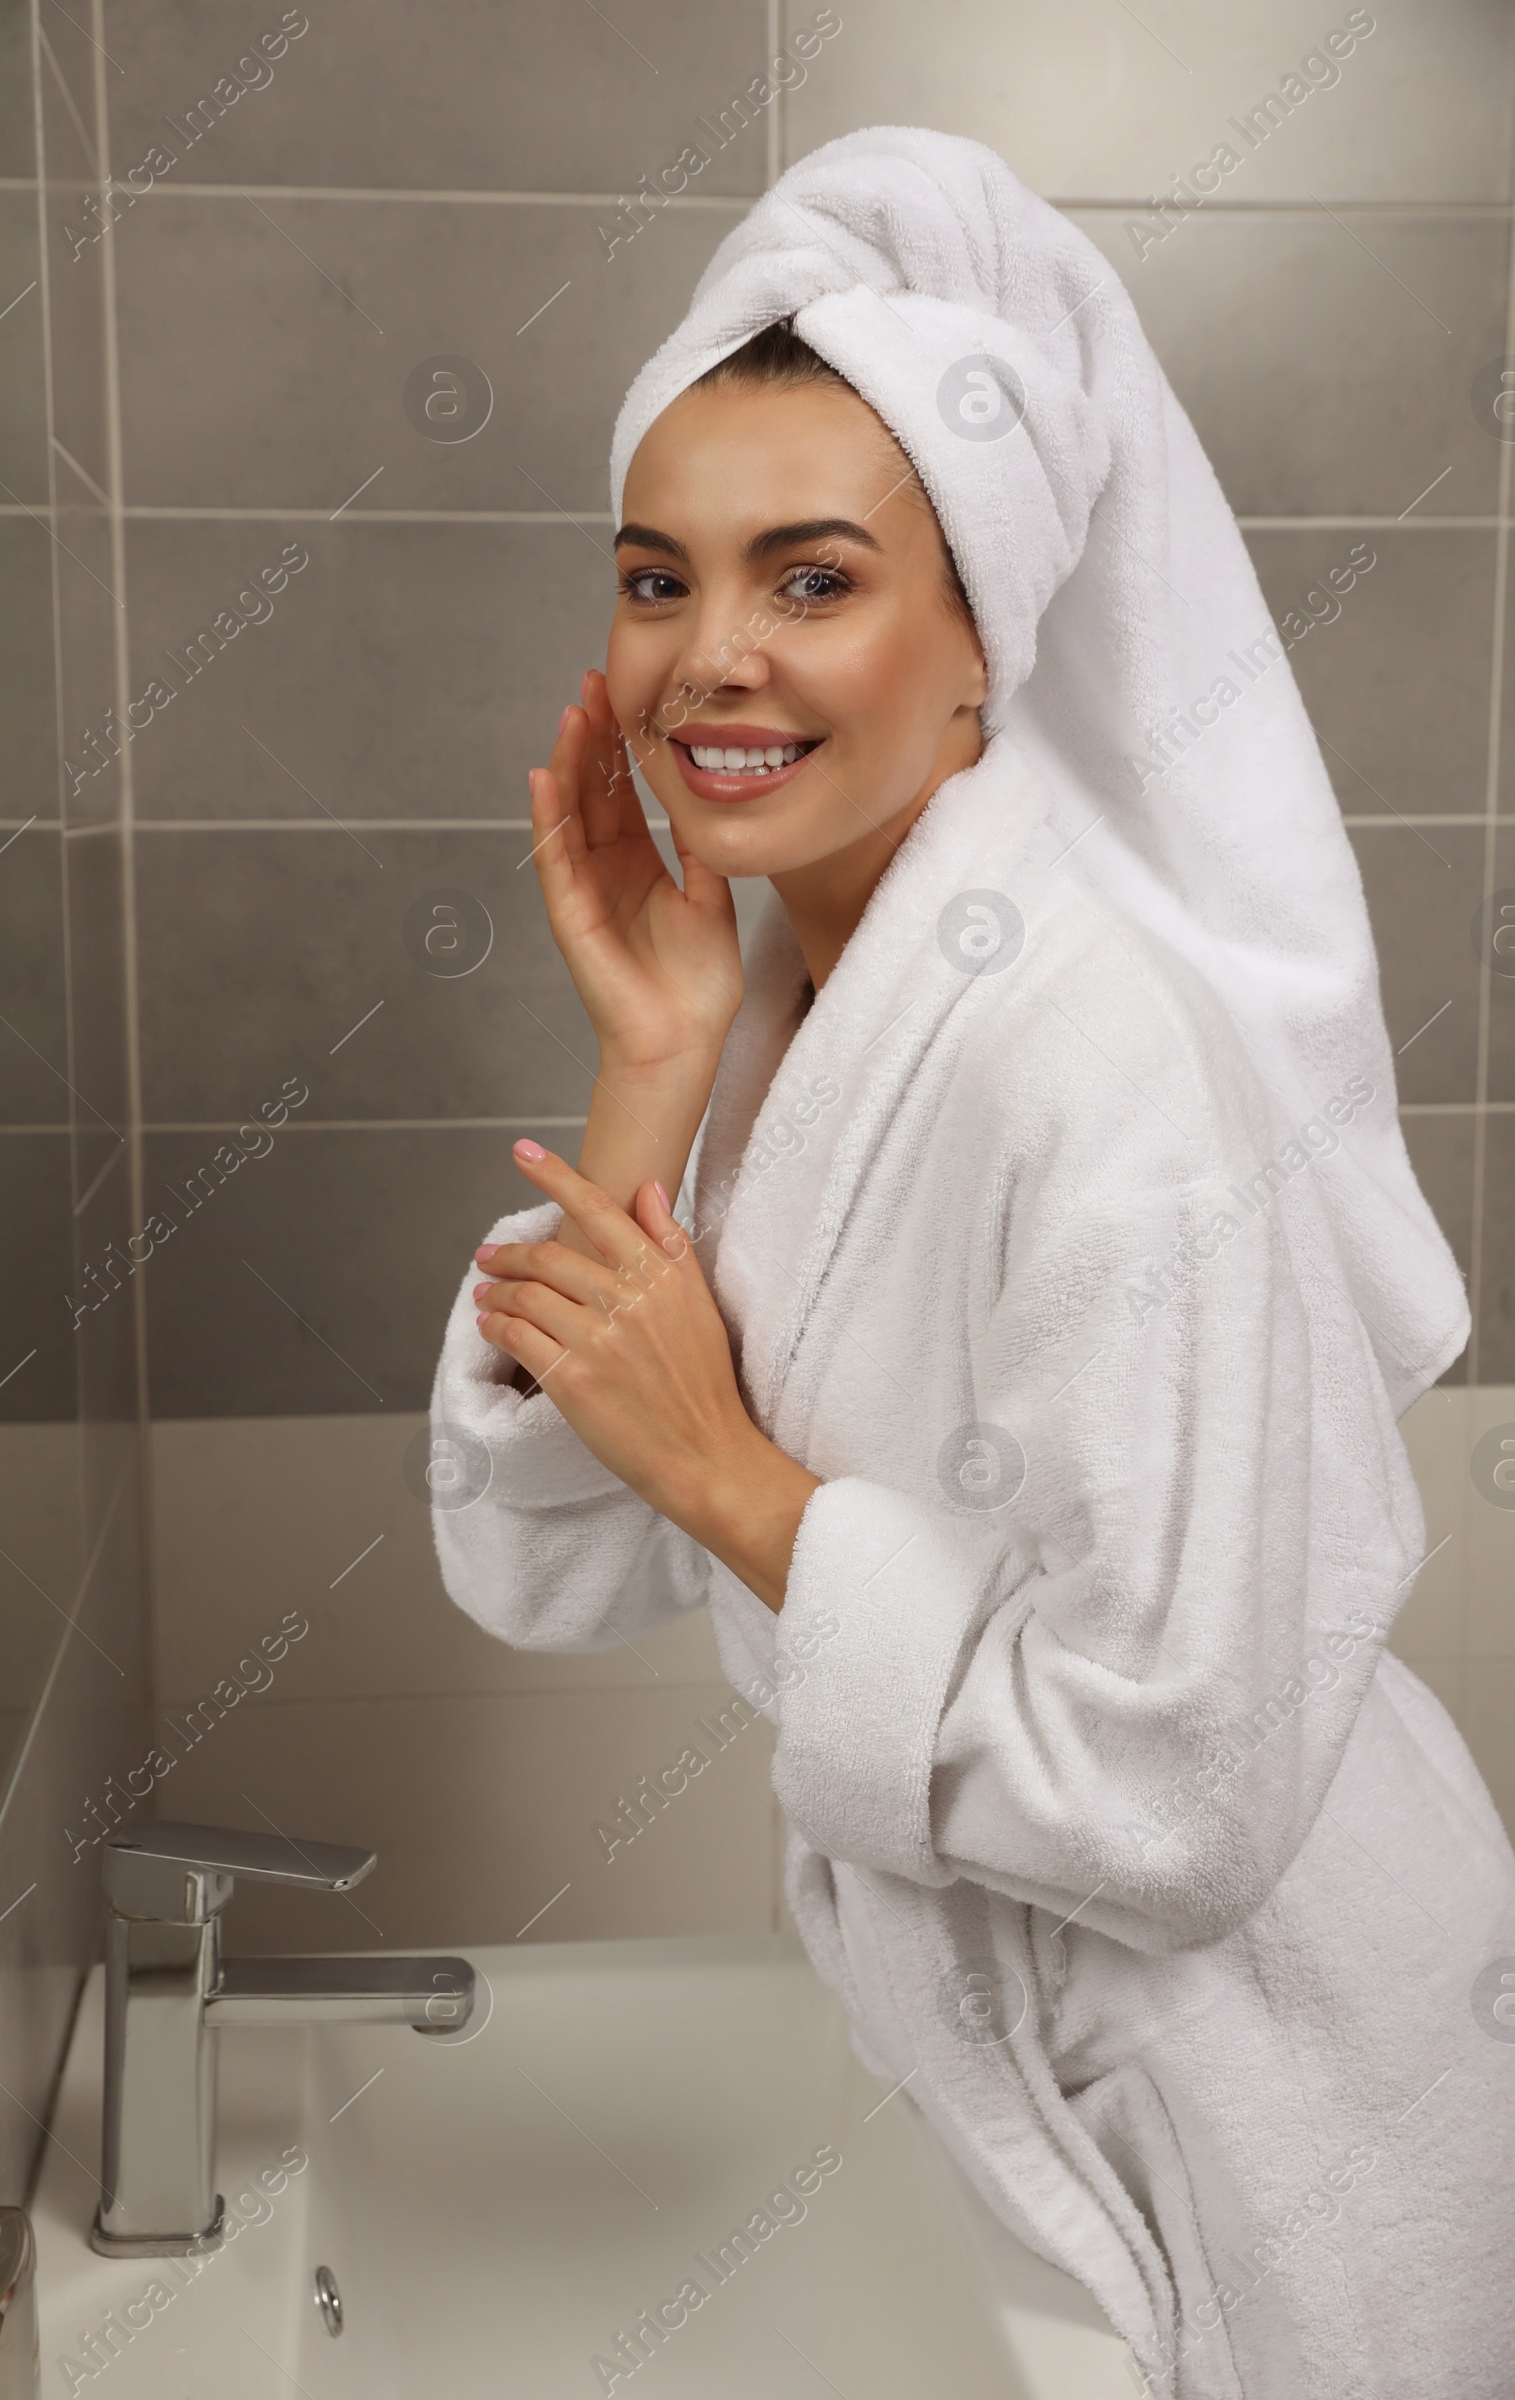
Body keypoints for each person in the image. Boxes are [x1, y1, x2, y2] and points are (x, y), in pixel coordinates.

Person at [428, 128, 1515, 2398]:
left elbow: (1181, 1797)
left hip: (1267, 2083)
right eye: (654, 578)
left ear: (977, 649)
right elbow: (540, 1568)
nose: (704, 658)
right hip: (1034, 2064)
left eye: (807, 581)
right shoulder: (810, 1002)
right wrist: (647, 1056)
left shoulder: (1093, 1056)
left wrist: (736, 1479)